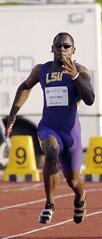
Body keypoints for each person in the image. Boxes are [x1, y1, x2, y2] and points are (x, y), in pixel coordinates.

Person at [5, 32, 95, 223]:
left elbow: (90, 99)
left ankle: (80, 197)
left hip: (71, 132)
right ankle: (49, 204)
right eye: (58, 46)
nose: (62, 49)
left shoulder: (81, 70)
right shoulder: (42, 70)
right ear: (52, 48)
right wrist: (13, 115)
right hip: (48, 127)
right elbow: (25, 87)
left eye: (66, 46)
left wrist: (76, 76)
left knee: (73, 180)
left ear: (73, 50)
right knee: (51, 150)